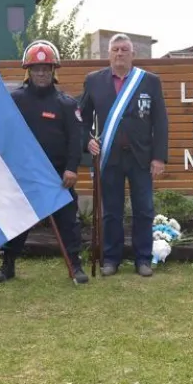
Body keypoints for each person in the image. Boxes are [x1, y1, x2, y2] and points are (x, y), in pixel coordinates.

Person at [0, 40, 89, 284]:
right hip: (23, 175)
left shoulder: (67, 104)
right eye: (37, 68)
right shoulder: (15, 101)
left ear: (53, 71)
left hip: (57, 177)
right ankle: (8, 265)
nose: (42, 73)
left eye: (46, 68)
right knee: (17, 220)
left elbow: (75, 141)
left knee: (68, 222)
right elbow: (5, 135)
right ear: (29, 71)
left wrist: (70, 169)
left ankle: (75, 266)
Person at [78, 33, 168, 278]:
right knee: (111, 212)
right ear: (108, 54)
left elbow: (160, 122)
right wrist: (87, 141)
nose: (120, 53)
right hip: (110, 158)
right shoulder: (93, 81)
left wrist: (159, 158)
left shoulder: (149, 81)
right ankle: (111, 259)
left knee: (144, 210)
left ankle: (143, 259)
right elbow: (81, 119)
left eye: (124, 49)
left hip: (141, 158)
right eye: (115, 49)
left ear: (133, 54)